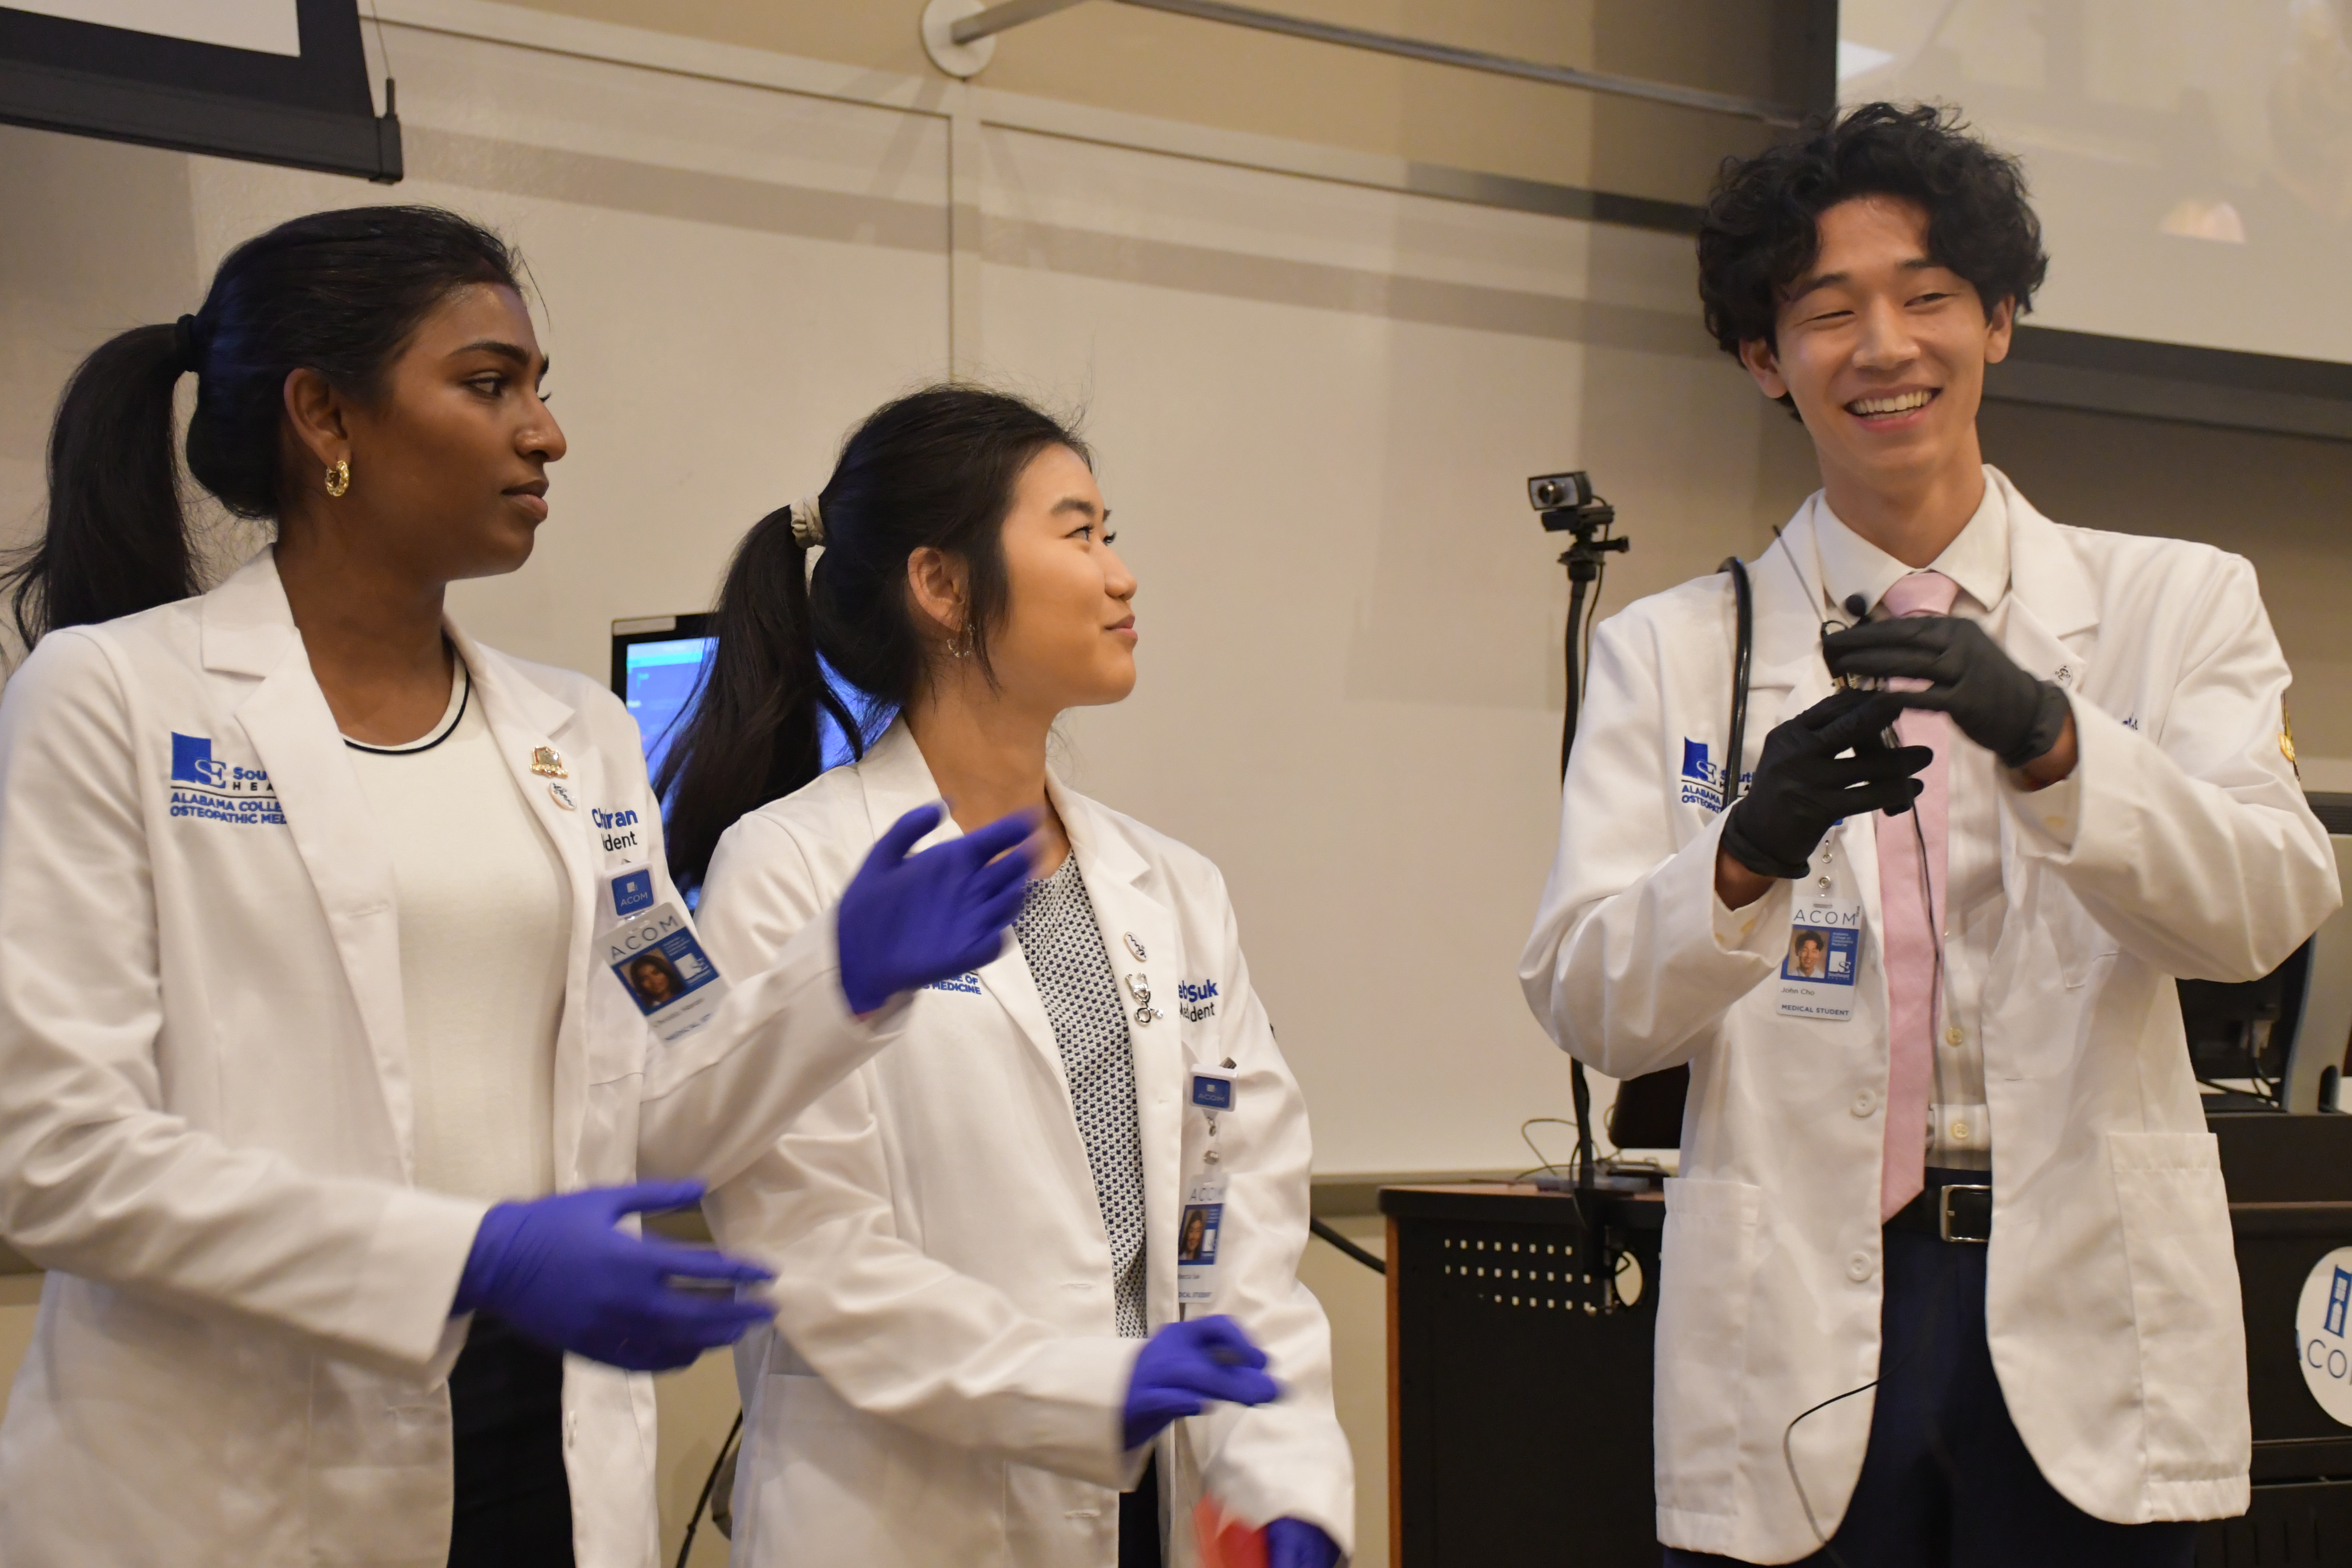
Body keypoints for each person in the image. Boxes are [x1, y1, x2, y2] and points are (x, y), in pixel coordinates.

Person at [0, 207, 1032, 1568]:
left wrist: (835, 986)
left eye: (540, 388)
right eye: (490, 385)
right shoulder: (113, 698)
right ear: (324, 416)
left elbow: (650, 1115)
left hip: (542, 1446)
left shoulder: (578, 740)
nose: (546, 434)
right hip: (223, 1479)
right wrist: (473, 1255)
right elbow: (56, 1157)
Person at [1519, 104, 2341, 1567]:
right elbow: (1591, 1005)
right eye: (1829, 312)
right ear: (1766, 359)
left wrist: (2059, 742)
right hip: (1804, 1311)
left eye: (1929, 297)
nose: (1885, 347)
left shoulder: (2176, 603)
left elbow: (2266, 910)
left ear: (2001, 321)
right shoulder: (1671, 650)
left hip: (2086, 1300)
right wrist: (1744, 856)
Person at [662, 386, 1353, 1568]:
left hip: (1144, 1511)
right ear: (942, 586)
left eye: (1110, 533)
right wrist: (1089, 1387)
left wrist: (1282, 1475)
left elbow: (1237, 1211)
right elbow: (816, 1252)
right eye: (1079, 534)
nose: (1122, 576)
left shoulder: (1171, 886)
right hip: (903, 1522)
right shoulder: (794, 868)